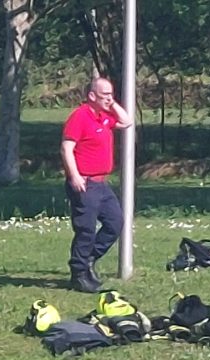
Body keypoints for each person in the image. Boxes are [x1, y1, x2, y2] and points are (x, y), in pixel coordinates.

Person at [60, 76, 132, 293]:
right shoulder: (80, 117)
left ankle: (89, 258)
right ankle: (79, 274)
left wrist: (111, 103)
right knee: (86, 230)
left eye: (111, 94)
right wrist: (74, 176)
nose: (109, 99)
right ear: (91, 96)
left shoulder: (103, 117)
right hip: (85, 183)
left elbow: (126, 122)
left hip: (101, 183)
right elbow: (66, 148)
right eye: (104, 95)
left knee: (115, 222)